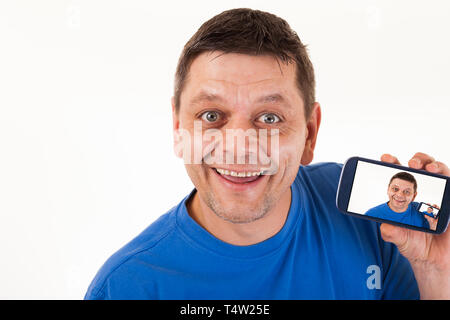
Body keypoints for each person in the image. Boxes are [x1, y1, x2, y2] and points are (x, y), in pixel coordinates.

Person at [84, 8, 450, 300]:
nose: (239, 146)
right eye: (211, 116)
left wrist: (437, 274)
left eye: (270, 118)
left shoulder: (375, 226)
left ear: (309, 134)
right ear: (178, 128)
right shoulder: (127, 287)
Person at [364, 172, 430, 229]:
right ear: (388, 189)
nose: (400, 195)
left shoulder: (423, 212)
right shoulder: (371, 215)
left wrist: (434, 225)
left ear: (414, 196)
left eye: (407, 192)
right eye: (395, 189)